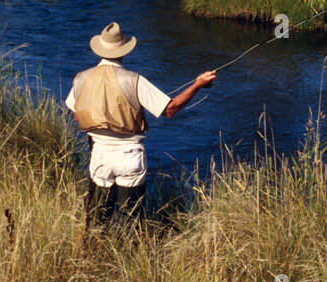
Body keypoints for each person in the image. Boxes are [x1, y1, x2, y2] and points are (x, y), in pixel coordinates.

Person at [65, 21, 217, 226]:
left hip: (98, 156)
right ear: (124, 51)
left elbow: (77, 115)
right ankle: (129, 256)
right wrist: (198, 84)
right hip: (130, 157)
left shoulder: (81, 79)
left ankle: (93, 255)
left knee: (97, 222)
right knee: (131, 223)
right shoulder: (134, 80)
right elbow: (170, 109)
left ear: (100, 49)